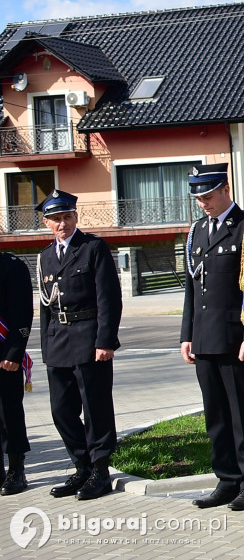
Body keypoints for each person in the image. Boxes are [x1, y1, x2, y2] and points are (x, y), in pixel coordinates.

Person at [180, 164, 244, 511]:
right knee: (215, 416)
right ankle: (226, 480)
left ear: (225, 189)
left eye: (209, 196)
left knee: (242, 415)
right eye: (198, 198)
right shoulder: (197, 231)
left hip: (235, 339)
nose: (203, 203)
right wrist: (187, 335)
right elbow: (191, 288)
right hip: (204, 339)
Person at [36, 189, 123, 500]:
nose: (63, 224)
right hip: (58, 341)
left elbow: (109, 299)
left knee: (96, 408)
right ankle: (81, 466)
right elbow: (46, 307)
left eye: (68, 217)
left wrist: (105, 341)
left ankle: (100, 470)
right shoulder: (45, 257)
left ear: (76, 217)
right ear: (46, 222)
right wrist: (46, 347)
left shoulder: (93, 248)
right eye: (56, 219)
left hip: (89, 339)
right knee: (61, 409)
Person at [0, 250, 33, 496]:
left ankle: (16, 470)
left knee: (8, 412)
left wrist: (14, 352)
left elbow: (22, 313)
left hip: (4, 354)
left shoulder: (11, 265)